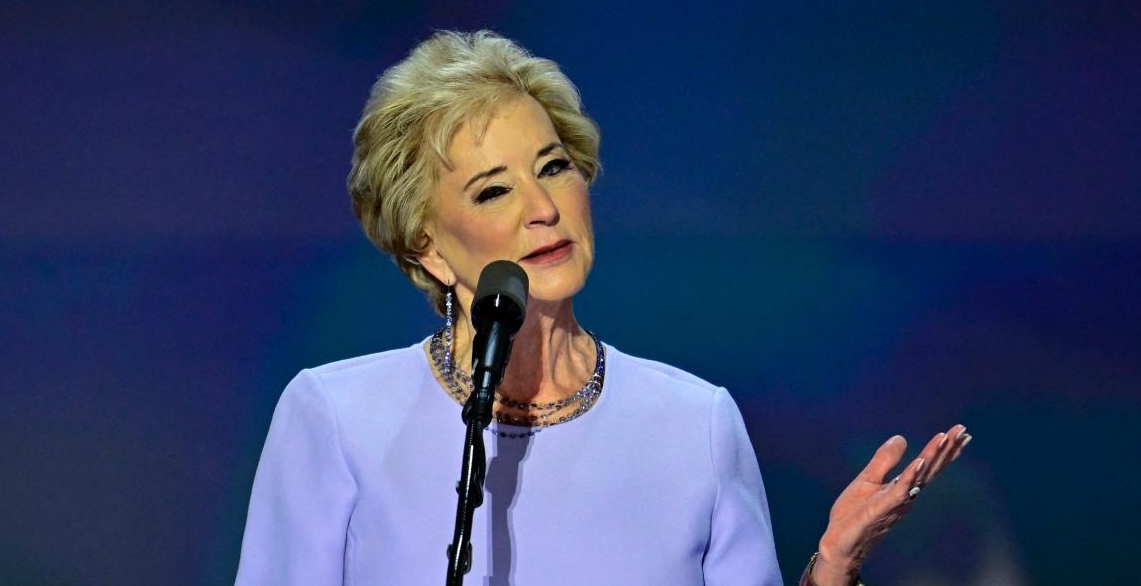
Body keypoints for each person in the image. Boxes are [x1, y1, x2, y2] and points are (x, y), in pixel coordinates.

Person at [235, 30, 970, 585]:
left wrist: (831, 568)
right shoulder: (336, 418)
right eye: (494, 190)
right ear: (426, 245)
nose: (544, 208)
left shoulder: (696, 425)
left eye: (553, 167)